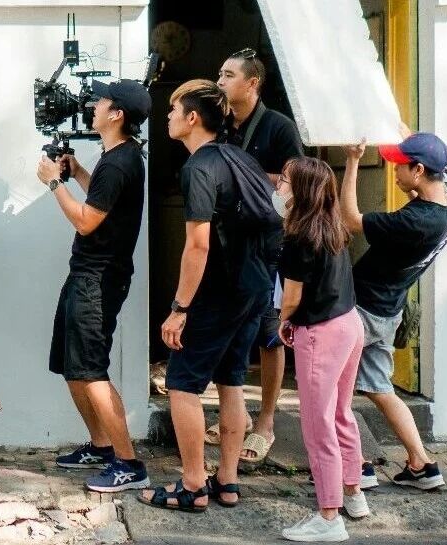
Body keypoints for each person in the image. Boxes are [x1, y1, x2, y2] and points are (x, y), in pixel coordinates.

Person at [138, 80, 269, 512]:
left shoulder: (197, 168)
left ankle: (193, 485)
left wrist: (179, 308)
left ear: (192, 118)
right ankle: (227, 481)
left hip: (217, 293)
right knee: (232, 383)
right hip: (253, 288)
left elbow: (198, 245)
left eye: (173, 110)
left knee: (182, 384)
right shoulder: (242, 158)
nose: (168, 116)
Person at [36, 79, 152, 493]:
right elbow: (102, 202)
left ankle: (129, 464)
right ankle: (102, 447)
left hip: (98, 280)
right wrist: (79, 172)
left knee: (91, 370)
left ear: (116, 114)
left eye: (101, 100)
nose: (93, 104)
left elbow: (86, 221)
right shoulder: (116, 156)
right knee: (73, 367)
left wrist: (54, 183)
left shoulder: (120, 162)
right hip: (86, 273)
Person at [340, 133, 447, 490]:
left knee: (332, 388)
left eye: (400, 166)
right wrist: (401, 131)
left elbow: (351, 219)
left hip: (362, 311)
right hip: (388, 311)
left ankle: (357, 467)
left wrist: (352, 161)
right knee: (380, 388)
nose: (394, 171)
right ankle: (422, 464)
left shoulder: (415, 222)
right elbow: (422, 193)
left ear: (419, 170)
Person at [209, 48, 305, 464]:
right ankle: (235, 414)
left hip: (268, 243)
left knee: (269, 332)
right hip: (225, 240)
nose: (220, 81)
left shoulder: (279, 126)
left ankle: (266, 421)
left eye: (228, 75)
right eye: (219, 73)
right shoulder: (218, 122)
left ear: (253, 83)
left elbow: (298, 182)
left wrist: (243, 174)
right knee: (226, 326)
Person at [275, 157, 369, 542]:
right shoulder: (333, 227)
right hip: (349, 324)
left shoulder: (298, 236)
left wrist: (284, 321)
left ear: (301, 190)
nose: (279, 185)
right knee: (342, 413)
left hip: (321, 333)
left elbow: (292, 296)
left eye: (284, 180)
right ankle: (354, 492)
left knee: (318, 425)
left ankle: (329, 517)